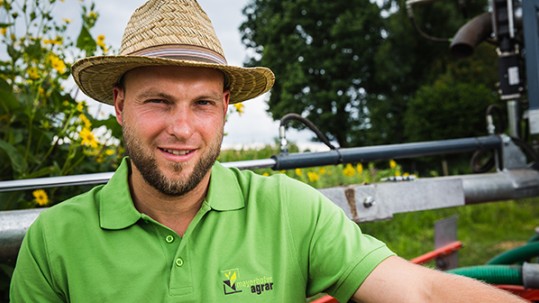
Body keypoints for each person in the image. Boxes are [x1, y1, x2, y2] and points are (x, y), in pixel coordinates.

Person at [9, 0, 527, 302]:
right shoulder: (55, 243)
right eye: (158, 102)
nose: (183, 128)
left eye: (203, 103)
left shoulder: (289, 211)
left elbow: (423, 292)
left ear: (227, 107)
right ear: (119, 105)